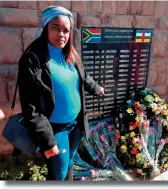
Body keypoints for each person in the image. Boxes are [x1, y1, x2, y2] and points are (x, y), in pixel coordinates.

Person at [18, 6, 104, 181]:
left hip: (76, 124)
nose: (62, 34)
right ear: (45, 28)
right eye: (56, 28)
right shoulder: (32, 60)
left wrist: (96, 88)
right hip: (55, 129)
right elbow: (31, 108)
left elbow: (83, 76)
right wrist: (48, 141)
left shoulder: (71, 54)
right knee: (58, 173)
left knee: (70, 162)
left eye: (66, 30)